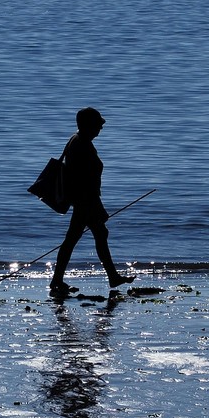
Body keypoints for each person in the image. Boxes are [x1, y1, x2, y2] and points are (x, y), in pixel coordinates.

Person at [50, 107, 135, 297]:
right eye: (98, 123)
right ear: (88, 124)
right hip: (85, 200)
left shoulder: (78, 140)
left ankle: (58, 280)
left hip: (83, 200)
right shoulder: (82, 145)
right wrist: (97, 207)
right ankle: (110, 277)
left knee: (81, 238)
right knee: (85, 237)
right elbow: (84, 181)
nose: (101, 127)